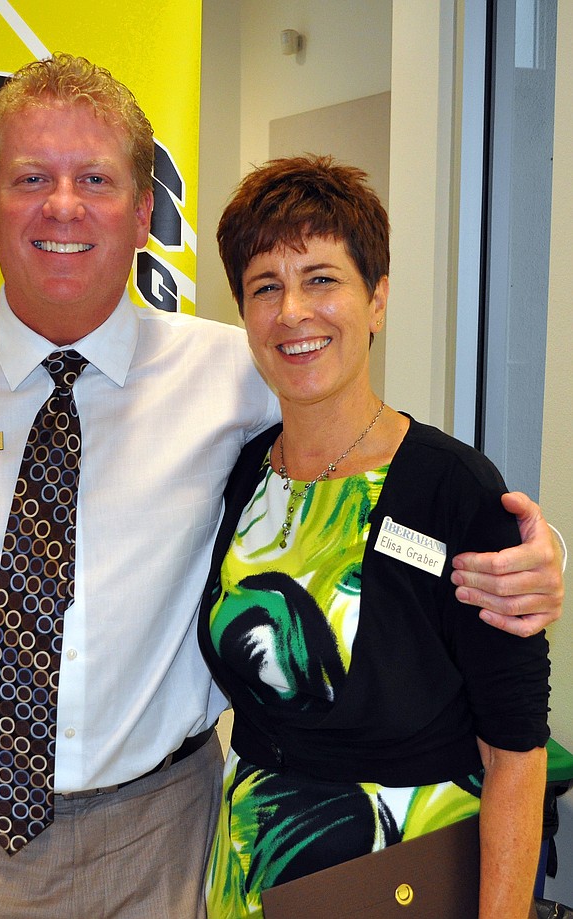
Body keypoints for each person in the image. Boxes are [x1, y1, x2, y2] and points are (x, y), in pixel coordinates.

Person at [0, 56, 560, 919]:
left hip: (169, 837)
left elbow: (372, 455)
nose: (63, 205)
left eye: (95, 178)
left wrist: (532, 550)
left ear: (141, 214)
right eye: (31, 178)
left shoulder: (235, 372)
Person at [197, 155, 551, 919]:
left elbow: (517, 753)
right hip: (251, 871)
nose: (293, 311)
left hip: (401, 879)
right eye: (266, 286)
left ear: (377, 300)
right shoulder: (245, 474)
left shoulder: (452, 489)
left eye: (321, 279)